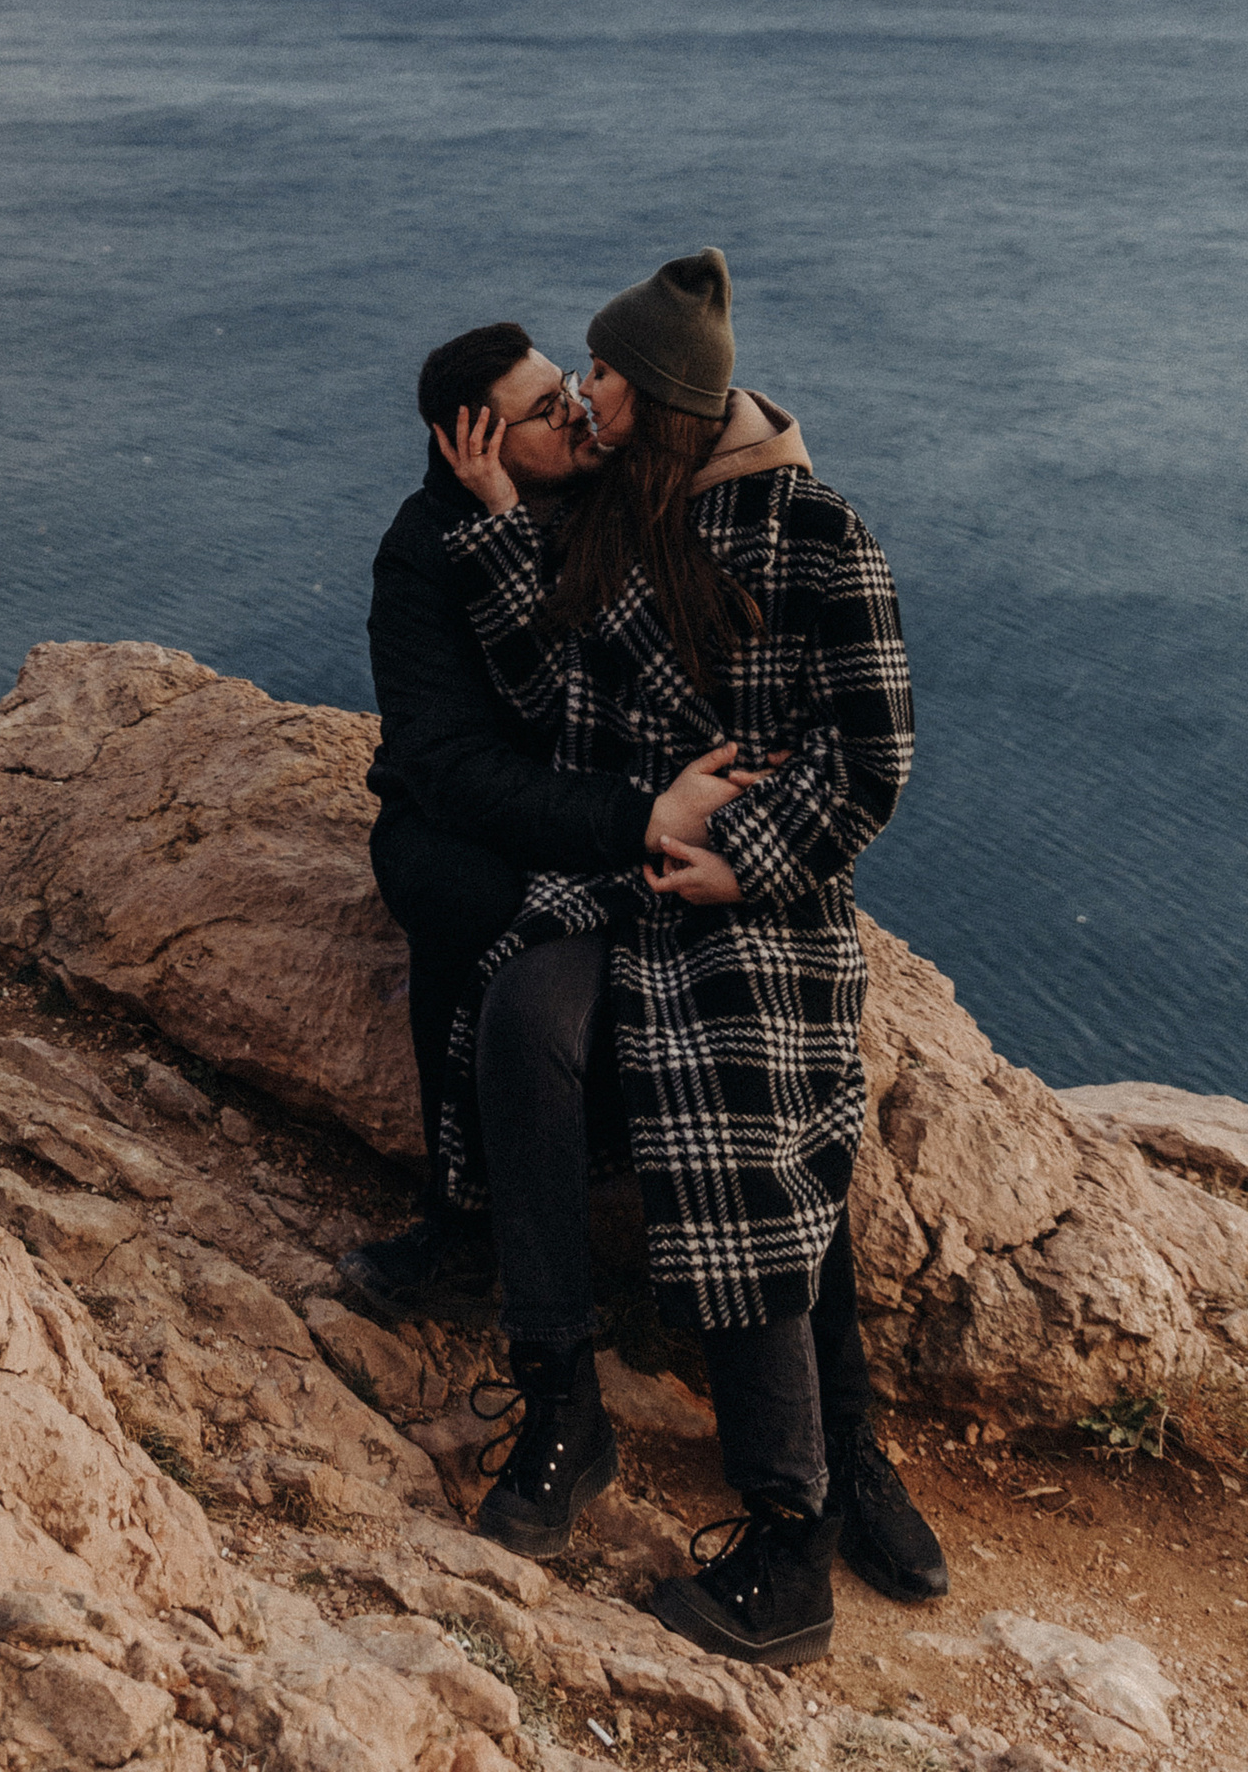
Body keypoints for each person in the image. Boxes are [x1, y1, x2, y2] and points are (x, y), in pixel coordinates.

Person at [429, 246, 938, 1667]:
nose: (579, 402)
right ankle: (562, 1405)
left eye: (596, 377)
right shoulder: (606, 514)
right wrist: (487, 522)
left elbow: (875, 752)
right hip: (613, 882)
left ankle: (792, 1538)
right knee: (521, 1019)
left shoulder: (818, 533)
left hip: (751, 909)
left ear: (657, 397)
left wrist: (750, 854)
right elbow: (550, 690)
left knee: (730, 1122)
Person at [349, 322, 769, 1324]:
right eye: (546, 409)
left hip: (590, 799)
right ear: (476, 444)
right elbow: (453, 773)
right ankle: (461, 1228)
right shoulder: (422, 554)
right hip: (462, 820)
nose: (578, 409)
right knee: (470, 912)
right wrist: (638, 817)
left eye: (566, 389)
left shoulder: (611, 501)